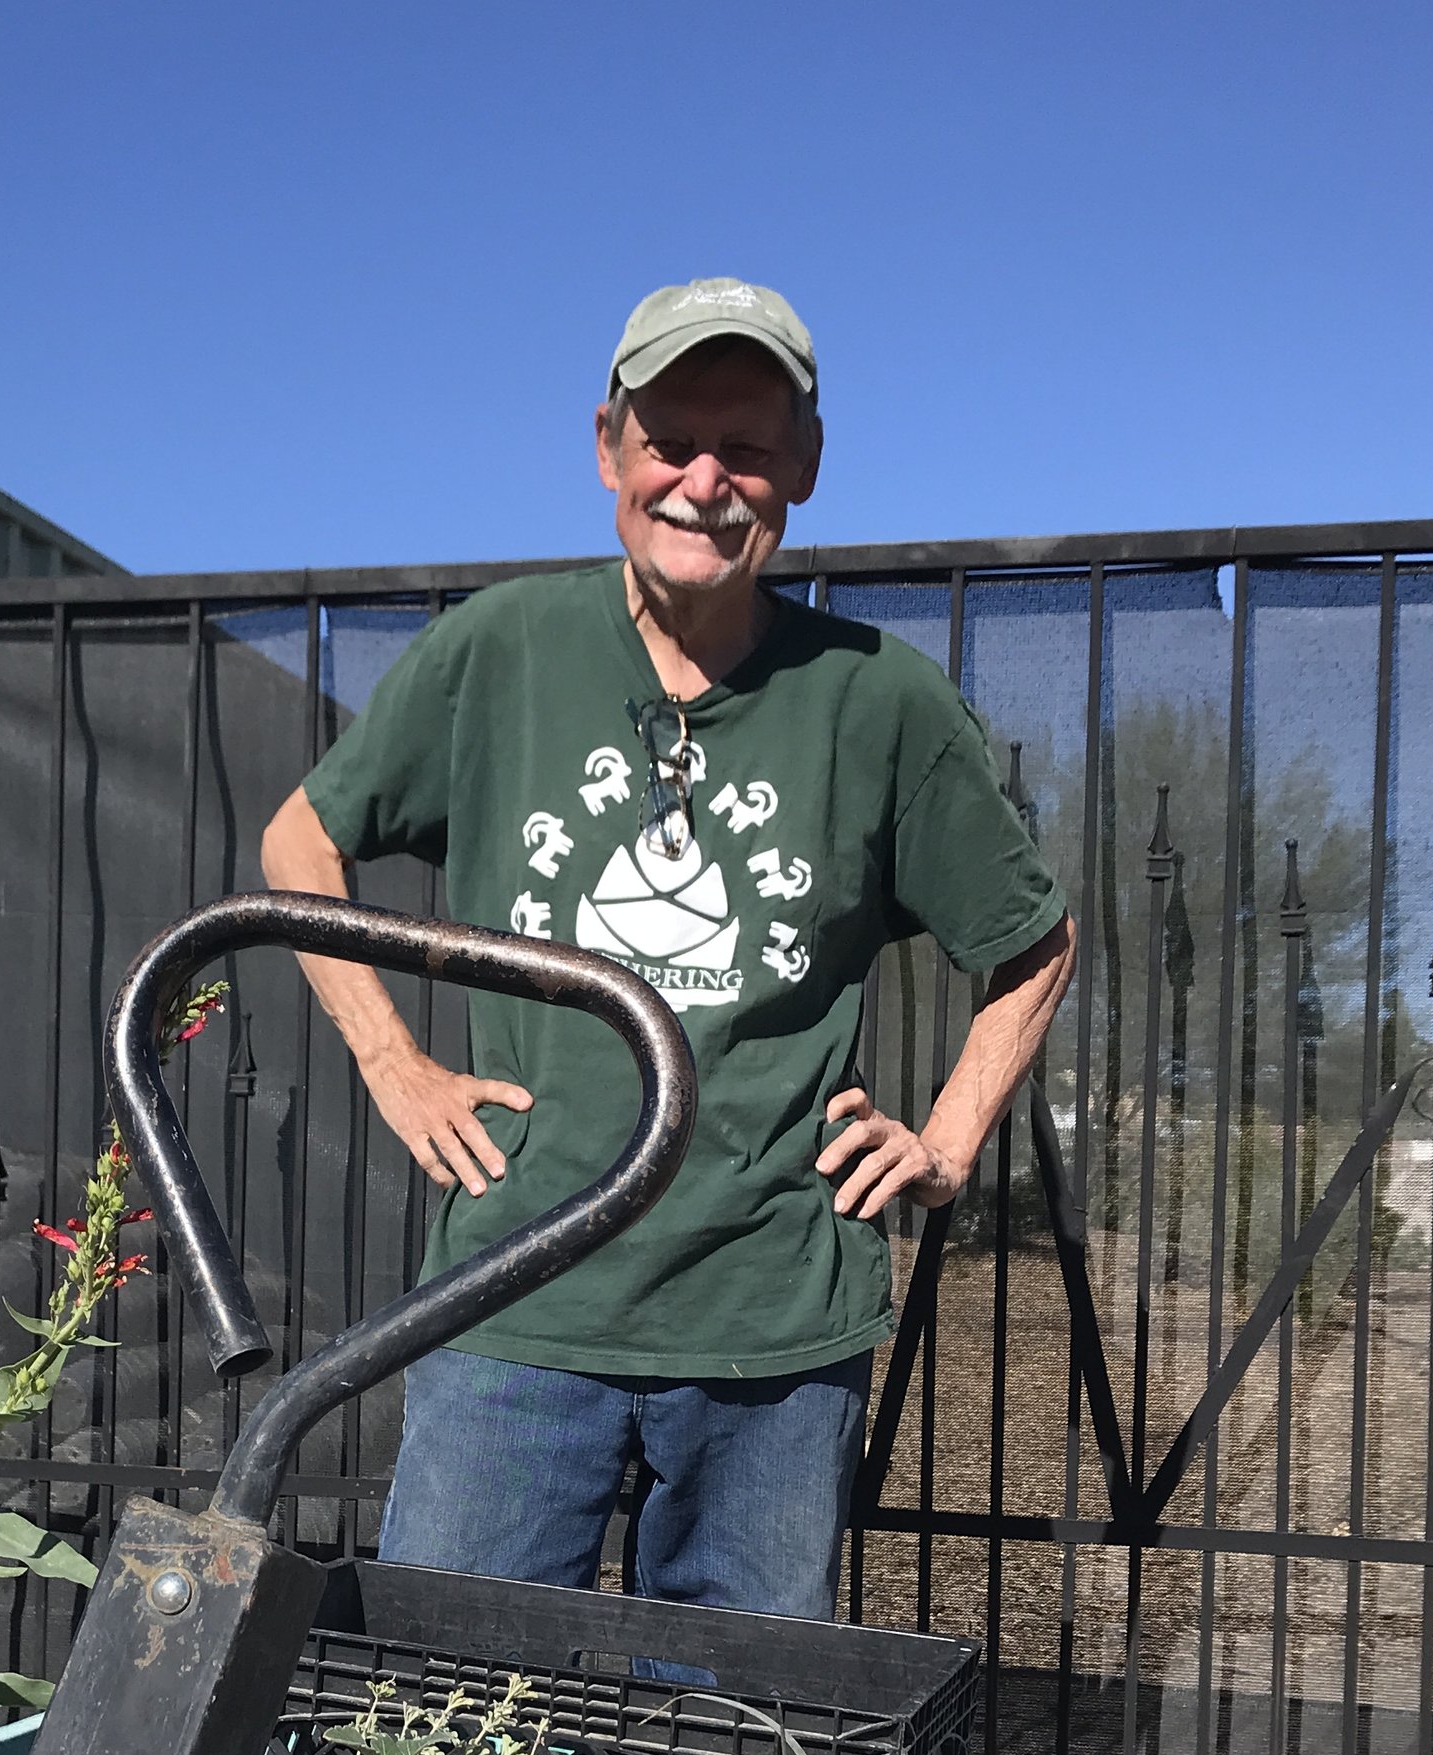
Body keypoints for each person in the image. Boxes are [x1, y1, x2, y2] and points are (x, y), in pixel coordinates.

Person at [258, 278, 1074, 1629]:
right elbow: (301, 846)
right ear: (608, 450)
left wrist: (949, 1139)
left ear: (803, 468)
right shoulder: (501, 652)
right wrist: (392, 1062)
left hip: (771, 1334)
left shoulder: (877, 702)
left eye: (747, 447)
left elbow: (1032, 944)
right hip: (514, 1300)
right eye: (669, 442)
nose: (705, 482)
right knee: (443, 1741)